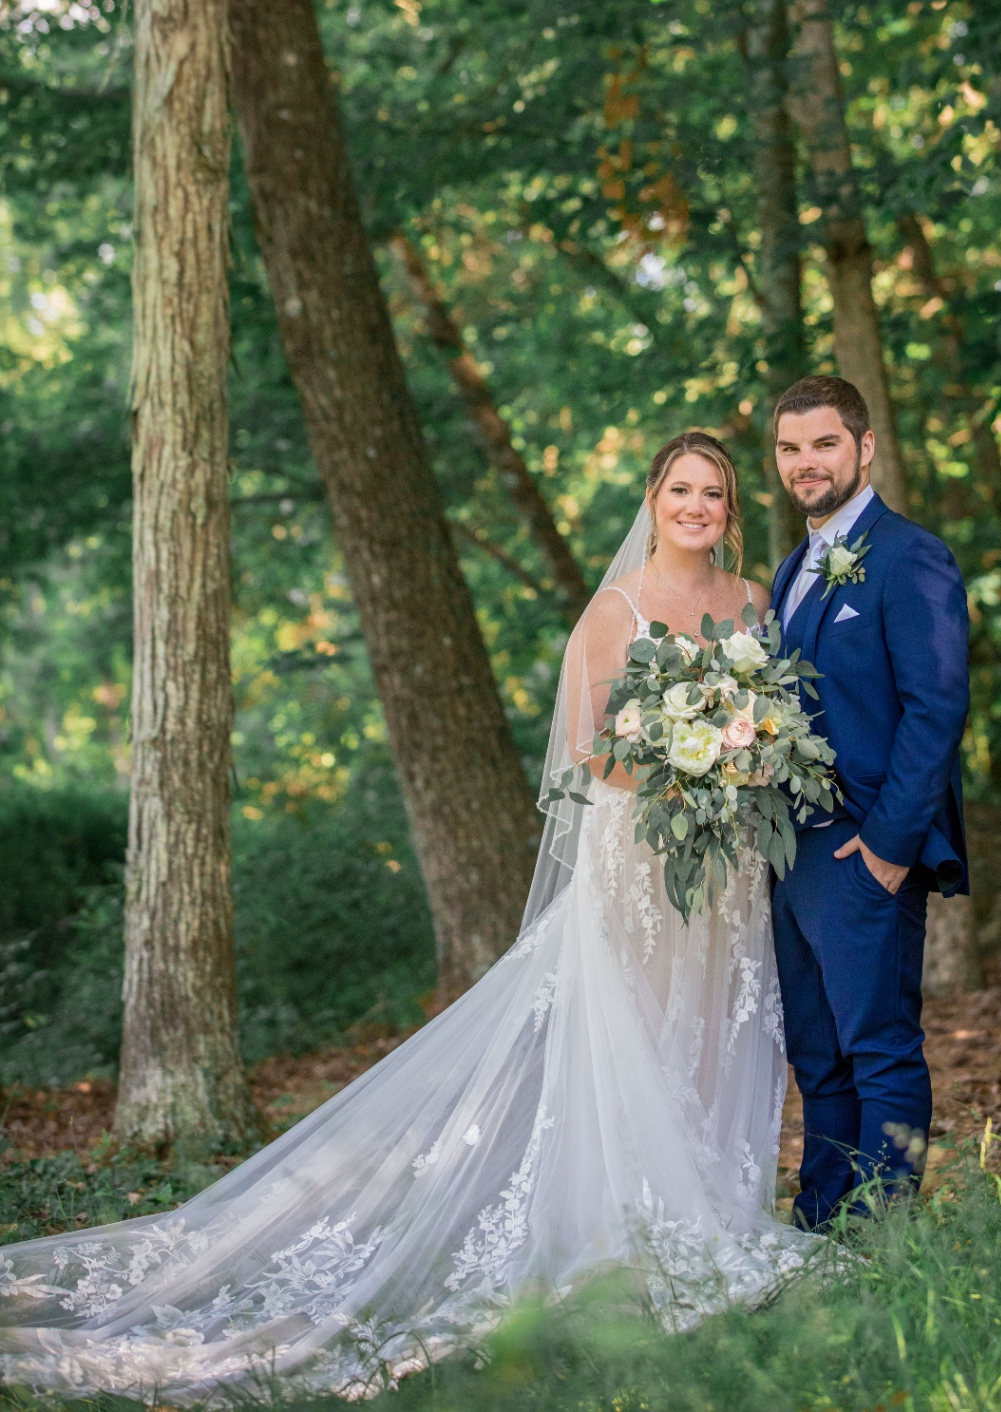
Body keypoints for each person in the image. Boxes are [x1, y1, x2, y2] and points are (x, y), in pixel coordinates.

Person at [0, 431, 816, 1402]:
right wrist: (689, 766)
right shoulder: (616, 609)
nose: (697, 507)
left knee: (710, 1030)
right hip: (640, 856)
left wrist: (740, 764)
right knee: (627, 1037)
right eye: (681, 489)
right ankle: (631, 1227)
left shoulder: (754, 603)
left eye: (714, 494)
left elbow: (772, 722)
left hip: (720, 866)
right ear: (652, 497)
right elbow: (590, 756)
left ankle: (714, 1209)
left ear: (730, 508)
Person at [767, 376, 970, 1231]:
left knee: (879, 1047)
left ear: (864, 446)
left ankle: (885, 1237)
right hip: (790, 853)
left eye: (823, 444)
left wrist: (889, 846)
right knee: (819, 1057)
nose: (806, 463)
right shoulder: (789, 571)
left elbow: (937, 706)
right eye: (789, 448)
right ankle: (823, 1223)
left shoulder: (908, 554)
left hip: (867, 850)